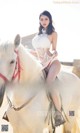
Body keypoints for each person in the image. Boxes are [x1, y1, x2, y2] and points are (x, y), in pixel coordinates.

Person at [31, 10, 65, 126]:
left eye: (46, 19)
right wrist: (25, 52)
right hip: (41, 65)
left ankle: (59, 114)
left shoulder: (53, 33)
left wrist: (52, 53)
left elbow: (54, 49)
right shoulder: (37, 35)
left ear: (50, 20)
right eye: (41, 19)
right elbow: (37, 53)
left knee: (49, 83)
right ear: (39, 21)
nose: (43, 21)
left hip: (52, 63)